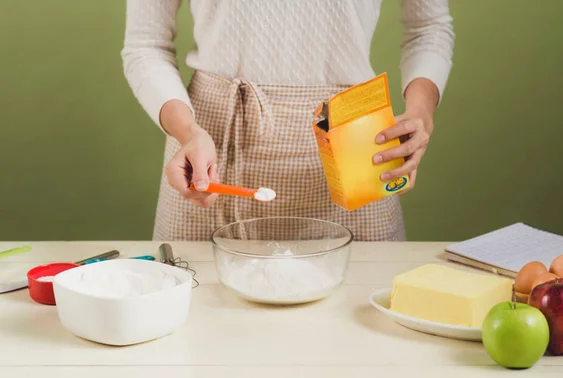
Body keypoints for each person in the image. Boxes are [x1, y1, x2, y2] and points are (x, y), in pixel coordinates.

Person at [121, 0, 454, 241]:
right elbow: (146, 44)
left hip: (354, 147)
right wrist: (188, 132)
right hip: (209, 150)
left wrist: (420, 114)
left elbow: (428, 28)